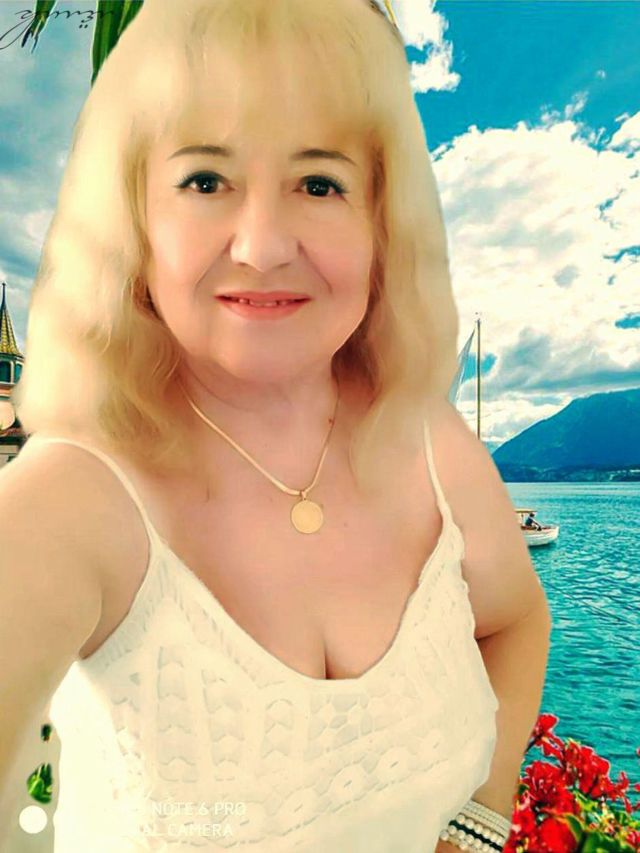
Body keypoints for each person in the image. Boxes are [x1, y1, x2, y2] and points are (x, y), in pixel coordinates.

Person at [0, 0, 551, 850]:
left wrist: (477, 819)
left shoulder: (430, 439)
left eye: (319, 183)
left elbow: (516, 621)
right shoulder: (69, 500)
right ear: (132, 218)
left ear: (382, 223)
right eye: (205, 180)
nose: (262, 246)